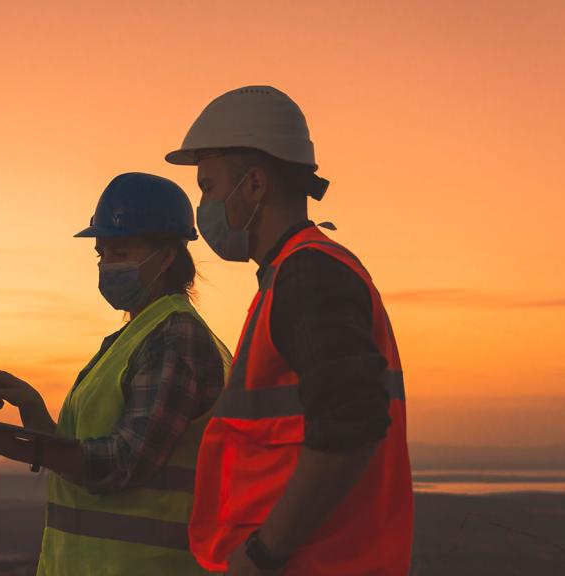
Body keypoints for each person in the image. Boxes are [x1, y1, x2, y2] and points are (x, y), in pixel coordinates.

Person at [165, 86, 412, 575]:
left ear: (255, 185)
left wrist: (263, 554)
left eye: (209, 187)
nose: (204, 206)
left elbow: (352, 423)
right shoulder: (291, 276)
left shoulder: (309, 276)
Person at [0, 172, 231, 575]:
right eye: (102, 255)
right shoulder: (136, 337)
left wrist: (24, 446)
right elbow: (87, 455)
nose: (107, 266)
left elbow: (123, 461)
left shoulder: (174, 338)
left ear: (168, 255)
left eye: (120, 253)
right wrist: (33, 410)